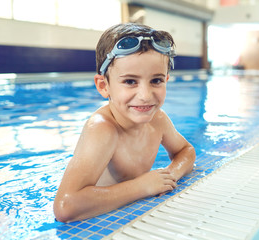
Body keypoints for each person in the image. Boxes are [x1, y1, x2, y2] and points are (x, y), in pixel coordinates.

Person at [53, 23, 196, 223]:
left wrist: (170, 176)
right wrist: (141, 187)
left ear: (166, 79)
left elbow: (186, 151)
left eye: (156, 80)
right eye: (130, 81)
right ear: (104, 86)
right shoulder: (103, 128)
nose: (145, 96)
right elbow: (65, 207)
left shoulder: (158, 120)